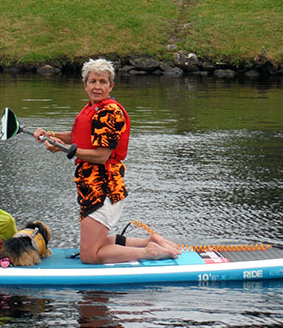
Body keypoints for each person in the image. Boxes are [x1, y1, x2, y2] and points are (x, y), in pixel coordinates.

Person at [33, 58, 180, 264]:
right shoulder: (93, 108)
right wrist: (51, 135)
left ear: (111, 86)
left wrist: (64, 149)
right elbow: (78, 138)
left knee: (90, 255)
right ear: (85, 85)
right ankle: (149, 241)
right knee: (98, 242)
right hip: (90, 186)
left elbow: (102, 156)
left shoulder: (110, 112)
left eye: (103, 82)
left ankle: (150, 252)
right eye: (93, 81)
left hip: (102, 188)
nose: (97, 87)